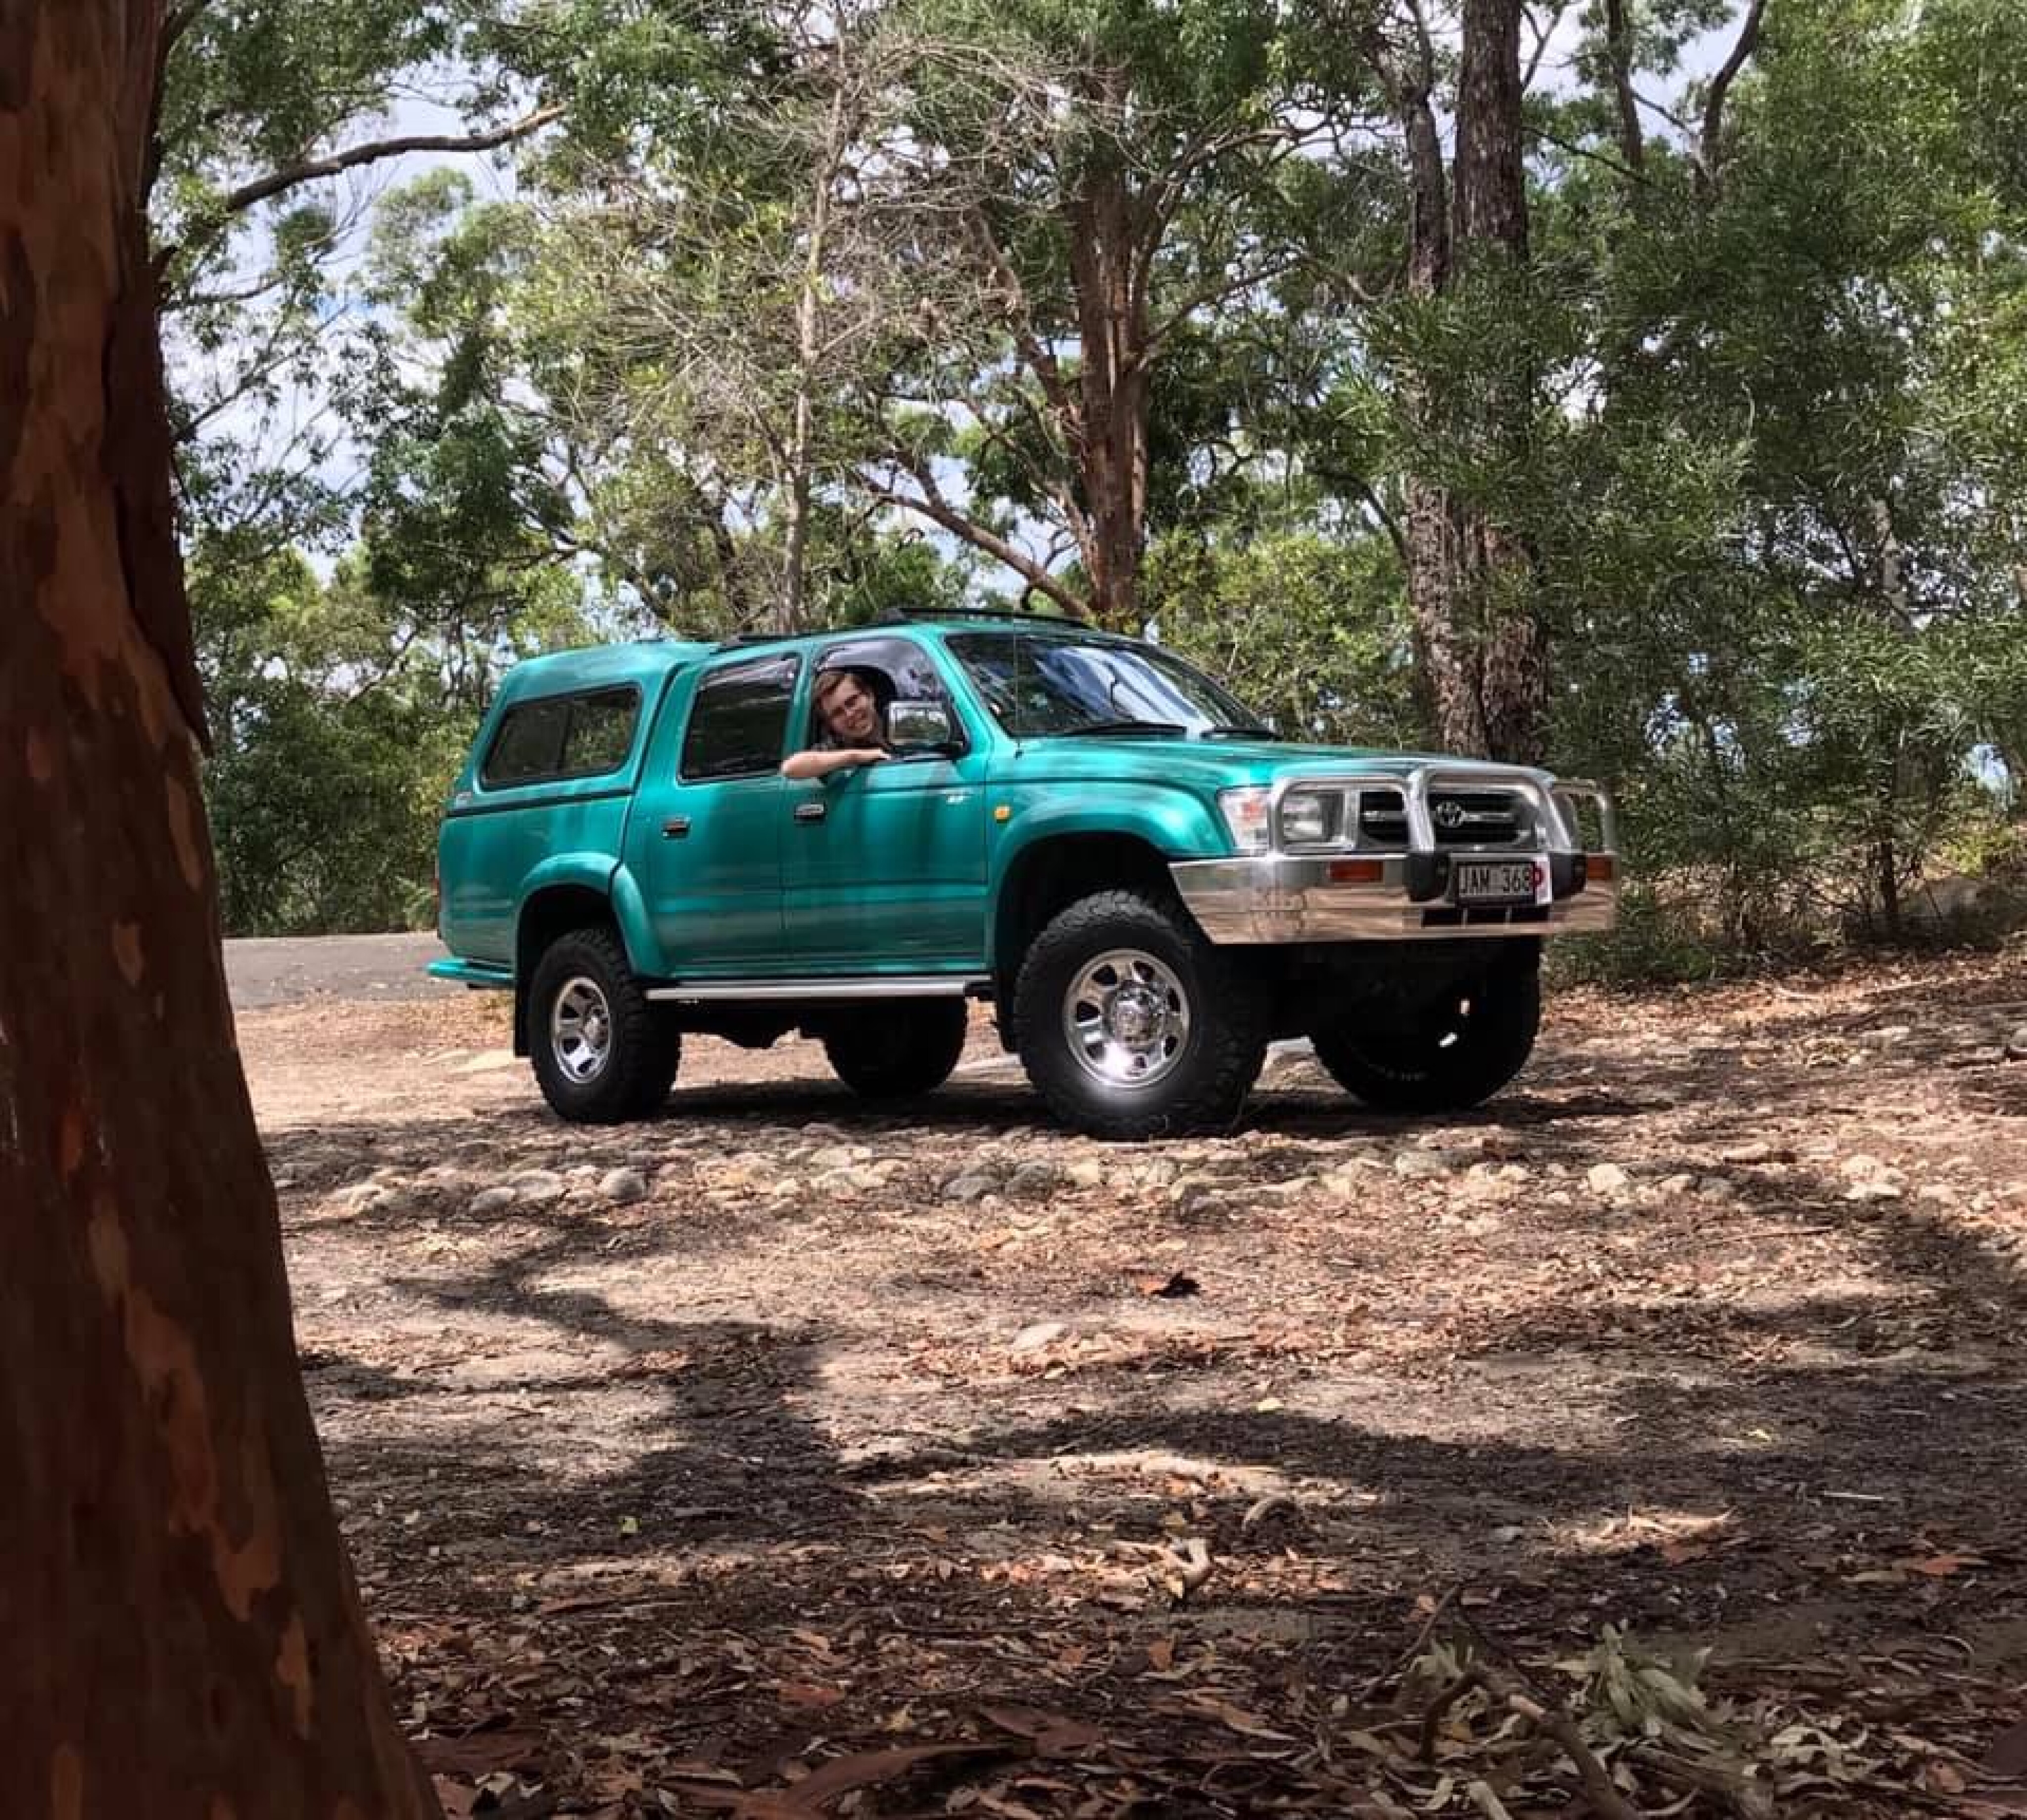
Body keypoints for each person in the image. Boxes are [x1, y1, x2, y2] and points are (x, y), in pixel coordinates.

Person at [781, 667, 891, 780]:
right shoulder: (836, 747)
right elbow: (790, 768)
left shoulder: (900, 723)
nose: (849, 714)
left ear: (870, 695)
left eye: (852, 702)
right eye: (837, 713)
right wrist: (856, 757)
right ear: (831, 724)